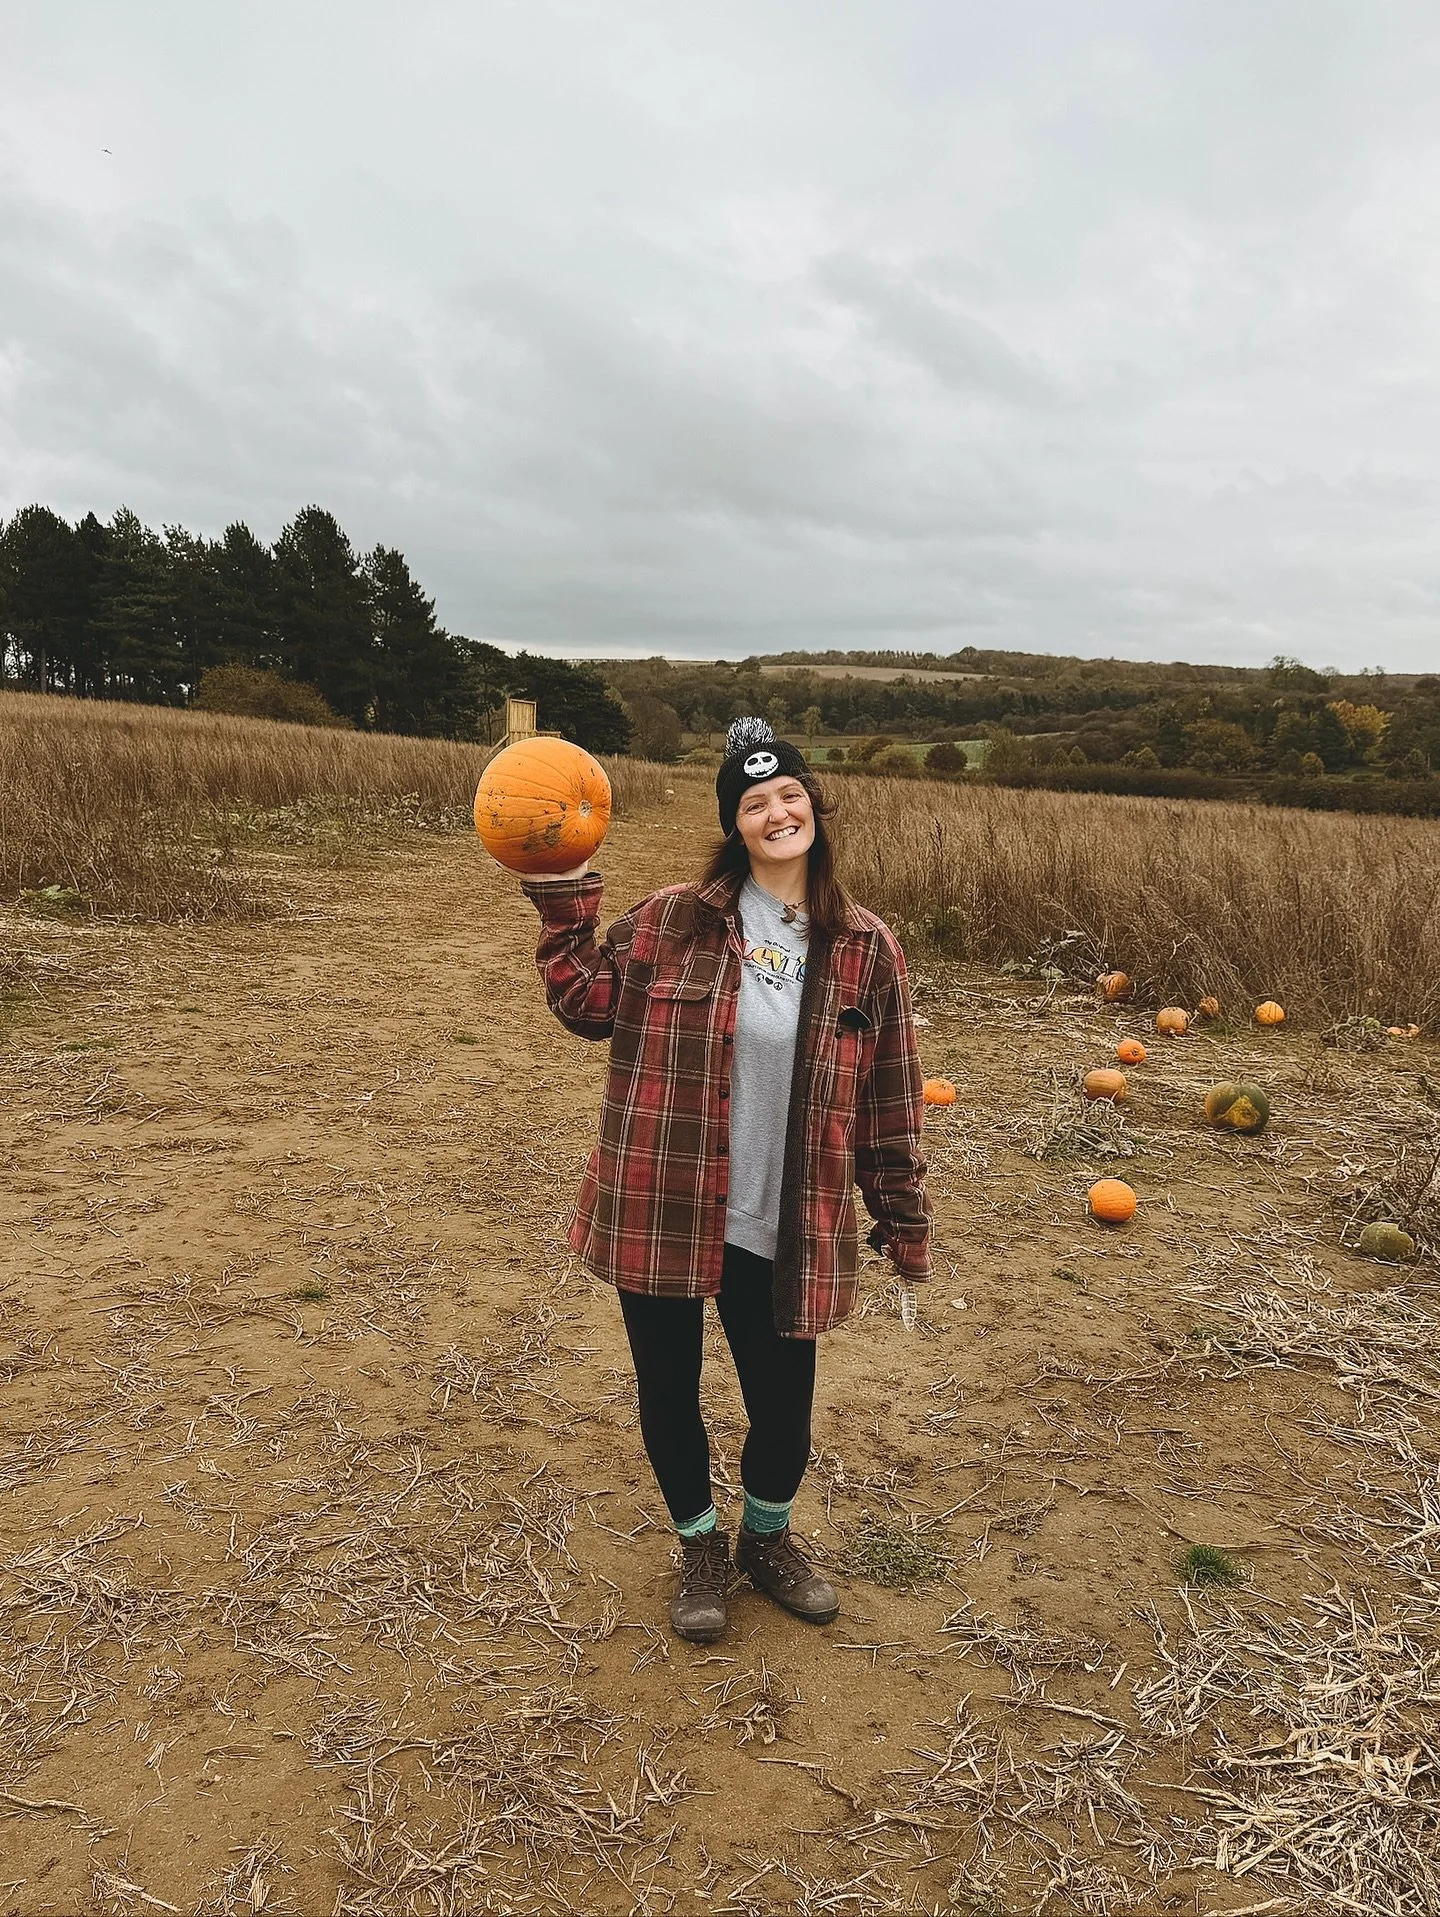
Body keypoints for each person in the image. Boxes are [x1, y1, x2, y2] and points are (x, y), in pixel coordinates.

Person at [516, 717, 932, 1643]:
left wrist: (901, 1214)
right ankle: (700, 1545)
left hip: (784, 1219)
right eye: (754, 803)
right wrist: (560, 903)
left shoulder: (866, 949)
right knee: (667, 1391)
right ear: (734, 825)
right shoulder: (671, 919)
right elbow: (589, 1005)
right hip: (663, 1199)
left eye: (787, 794)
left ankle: (766, 1539)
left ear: (814, 806)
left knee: (783, 1412)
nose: (776, 811)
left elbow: (891, 1096)